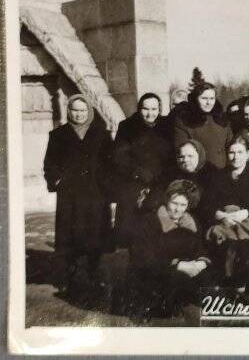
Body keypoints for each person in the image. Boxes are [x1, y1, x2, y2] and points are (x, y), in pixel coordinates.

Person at [43, 94, 113, 294]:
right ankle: (69, 277)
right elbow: (50, 164)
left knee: (95, 235)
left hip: (95, 193)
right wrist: (56, 180)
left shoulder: (101, 133)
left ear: (89, 111)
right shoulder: (58, 135)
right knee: (69, 236)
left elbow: (111, 163)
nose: (79, 114)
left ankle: (94, 273)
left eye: (83, 110)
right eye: (75, 110)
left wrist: (108, 185)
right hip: (70, 194)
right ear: (69, 111)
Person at [201, 136, 249, 298]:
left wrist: (244, 213)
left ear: (247, 154)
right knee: (222, 242)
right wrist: (221, 215)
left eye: (240, 152)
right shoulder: (219, 176)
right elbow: (207, 203)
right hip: (224, 223)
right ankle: (235, 288)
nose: (235, 156)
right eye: (231, 152)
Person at [128, 180, 211, 319]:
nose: (178, 209)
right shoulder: (150, 221)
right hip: (154, 274)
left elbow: (199, 249)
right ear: (166, 201)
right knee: (175, 281)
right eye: (174, 203)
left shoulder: (191, 222)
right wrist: (178, 265)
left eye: (183, 205)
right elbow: (143, 257)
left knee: (207, 278)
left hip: (184, 271)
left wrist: (201, 263)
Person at [112, 93, 173, 248]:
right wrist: (138, 172)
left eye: (154, 109)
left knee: (159, 228)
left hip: (160, 182)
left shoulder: (166, 127)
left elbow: (172, 155)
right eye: (145, 109)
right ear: (139, 109)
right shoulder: (127, 127)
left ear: (159, 109)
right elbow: (119, 157)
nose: (150, 113)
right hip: (135, 182)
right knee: (134, 231)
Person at [174, 70, 233, 170]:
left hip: (223, 174)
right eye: (204, 98)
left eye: (211, 98)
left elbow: (230, 146)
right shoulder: (185, 120)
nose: (208, 102)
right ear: (195, 98)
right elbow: (182, 154)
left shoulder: (221, 119)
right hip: (199, 174)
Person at [144, 140, 213, 214]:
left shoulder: (210, 175)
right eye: (181, 156)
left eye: (190, 156)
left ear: (199, 156)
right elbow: (153, 202)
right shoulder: (169, 175)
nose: (185, 160)